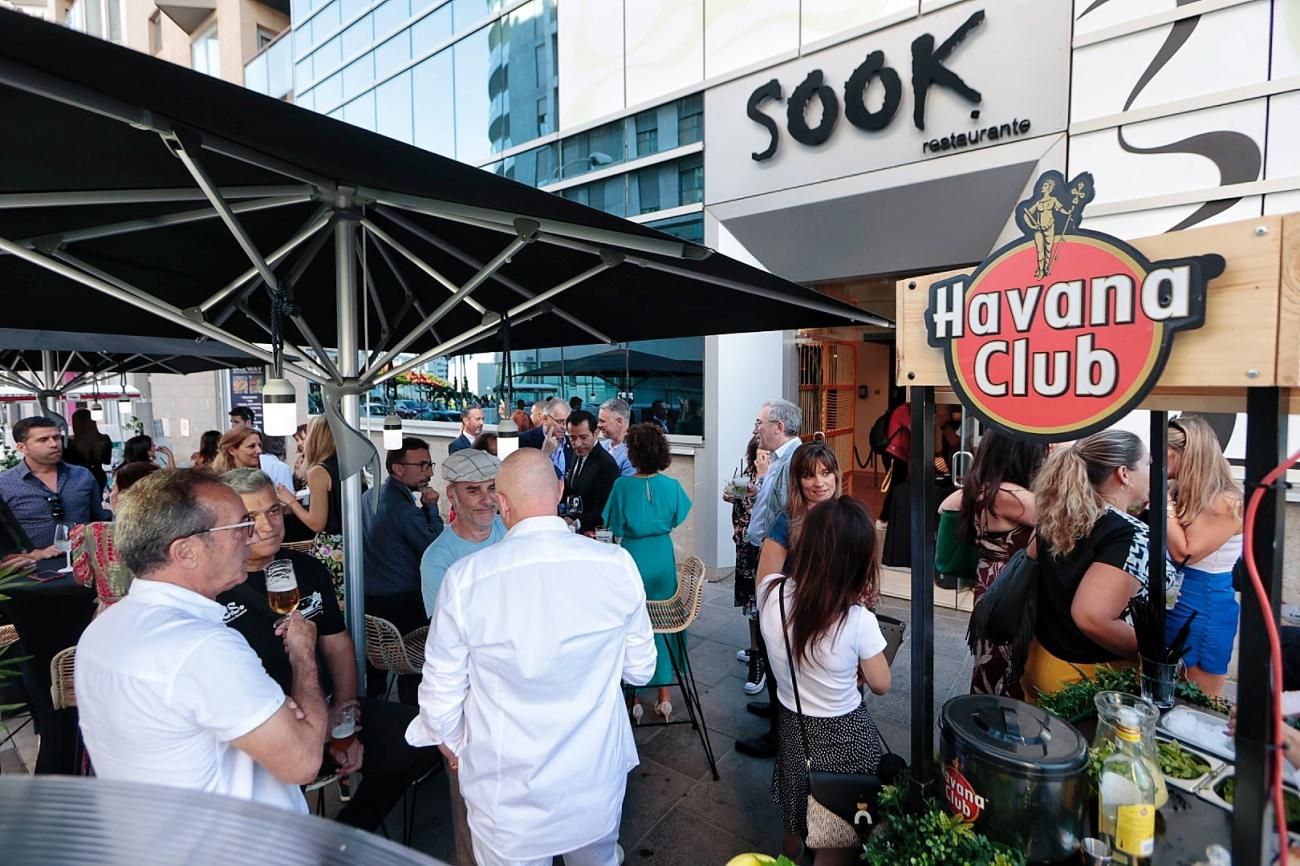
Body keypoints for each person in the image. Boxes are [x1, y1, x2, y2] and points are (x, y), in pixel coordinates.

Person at [408, 449, 656, 866]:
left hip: (507, 788)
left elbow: (441, 688)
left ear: (502, 504)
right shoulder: (616, 564)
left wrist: (452, 742)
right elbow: (641, 668)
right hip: (593, 774)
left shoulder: (467, 580)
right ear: (559, 492)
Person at [74, 469, 328, 811]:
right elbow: (303, 761)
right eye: (241, 526)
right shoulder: (200, 648)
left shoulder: (104, 627)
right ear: (186, 552)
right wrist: (302, 655)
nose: (252, 536)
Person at [217, 468, 439, 830]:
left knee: (416, 738)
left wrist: (345, 717)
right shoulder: (216, 586)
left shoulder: (307, 568)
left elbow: (337, 645)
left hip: (326, 709)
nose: (268, 525)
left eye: (273, 511)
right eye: (250, 517)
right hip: (262, 731)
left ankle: (345, 837)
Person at [760, 497, 890, 866]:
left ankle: (790, 850)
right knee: (835, 837)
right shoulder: (858, 621)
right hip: (844, 736)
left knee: (795, 799)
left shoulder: (770, 593)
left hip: (791, 721)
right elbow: (881, 684)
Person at [1023, 430, 1174, 701]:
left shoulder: (1058, 515)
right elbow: (1091, 616)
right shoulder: (1128, 533)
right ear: (1123, 473)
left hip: (1040, 655)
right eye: (1148, 464)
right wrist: (1158, 654)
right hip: (1087, 677)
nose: (1154, 472)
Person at [936, 432, 1047, 699]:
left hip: (990, 581)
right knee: (1007, 664)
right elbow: (1067, 519)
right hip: (1012, 588)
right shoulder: (1011, 495)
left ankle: (984, 719)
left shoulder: (982, 489)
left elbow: (944, 507)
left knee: (992, 660)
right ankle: (993, 726)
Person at [602, 422, 691, 723]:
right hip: (662, 557)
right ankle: (665, 697)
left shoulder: (621, 486)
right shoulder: (673, 487)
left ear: (633, 452)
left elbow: (611, 524)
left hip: (633, 557)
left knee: (633, 621)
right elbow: (679, 516)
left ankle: (635, 695)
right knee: (663, 621)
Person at [753, 442, 851, 700]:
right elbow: (765, 584)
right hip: (795, 620)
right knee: (791, 696)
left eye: (826, 472)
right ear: (797, 480)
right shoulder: (786, 522)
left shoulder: (846, 516)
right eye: (809, 475)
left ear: (836, 476)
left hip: (839, 620)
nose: (819, 482)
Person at [737, 398, 803, 759]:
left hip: (781, 562)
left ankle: (780, 734)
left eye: (760, 421)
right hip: (766, 553)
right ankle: (774, 706)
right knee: (767, 636)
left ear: (779, 426)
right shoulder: (777, 460)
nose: (756, 427)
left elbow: (790, 514)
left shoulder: (796, 460)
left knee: (778, 642)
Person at [1164, 415, 1243, 697]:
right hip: (1177, 597)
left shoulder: (1225, 500)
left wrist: (1163, 502)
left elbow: (1186, 553)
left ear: (1178, 455)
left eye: (1163, 455)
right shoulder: (1182, 490)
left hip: (1204, 603)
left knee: (1198, 697)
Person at [360, 437, 443, 704]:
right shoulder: (405, 510)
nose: (429, 472)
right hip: (403, 605)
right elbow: (434, 550)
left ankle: (374, 704)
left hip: (369, 602)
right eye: (422, 465)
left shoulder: (367, 496)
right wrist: (431, 508)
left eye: (429, 464)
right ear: (398, 468)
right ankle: (414, 711)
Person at [0, 416, 111, 561]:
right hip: (33, 570)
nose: (54, 444)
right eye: (43, 439)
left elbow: (98, 520)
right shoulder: (5, 483)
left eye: (56, 437)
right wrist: (32, 554)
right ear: (22, 447)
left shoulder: (82, 475)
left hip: (85, 562)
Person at [421, 449, 507, 616]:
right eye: (473, 491)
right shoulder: (437, 560)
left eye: (491, 488)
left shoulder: (513, 528)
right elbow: (445, 630)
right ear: (452, 496)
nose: (487, 500)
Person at [277, 417, 345, 599]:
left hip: (334, 551)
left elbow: (317, 523)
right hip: (357, 544)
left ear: (316, 438)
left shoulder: (319, 472)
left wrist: (290, 501)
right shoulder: (350, 467)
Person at [724, 435, 770, 696]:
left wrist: (760, 484)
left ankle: (761, 658)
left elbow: (770, 508)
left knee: (762, 603)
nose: (762, 455)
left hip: (766, 550)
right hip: (745, 548)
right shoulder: (748, 472)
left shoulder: (774, 475)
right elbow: (740, 500)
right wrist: (733, 495)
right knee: (751, 605)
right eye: (758, 450)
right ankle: (755, 650)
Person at [561, 410, 620, 535]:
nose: (577, 444)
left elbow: (604, 509)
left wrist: (576, 523)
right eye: (572, 438)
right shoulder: (577, 454)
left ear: (596, 433)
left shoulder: (606, 465)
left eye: (583, 437)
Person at [64, 408, 112, 495]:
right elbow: (107, 461)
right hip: (98, 476)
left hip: (77, 478)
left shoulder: (69, 442)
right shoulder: (104, 439)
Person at [519, 397, 570, 476]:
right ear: (545, 419)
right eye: (560, 422)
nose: (564, 427)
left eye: (567, 422)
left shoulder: (571, 442)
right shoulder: (525, 440)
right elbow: (524, 475)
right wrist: (545, 453)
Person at [597, 398, 635, 477]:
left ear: (619, 422)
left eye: (602, 421)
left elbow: (625, 487)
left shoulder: (633, 454)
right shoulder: (600, 446)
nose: (599, 425)